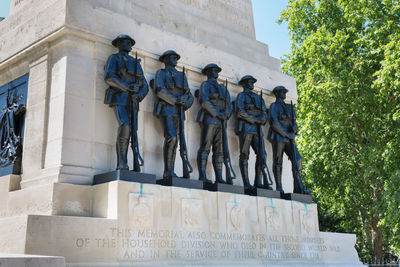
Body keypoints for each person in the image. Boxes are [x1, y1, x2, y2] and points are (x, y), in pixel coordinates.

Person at [104, 34, 148, 171]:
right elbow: (109, 77)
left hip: (133, 101)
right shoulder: (114, 58)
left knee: (133, 131)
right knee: (125, 125)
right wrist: (126, 87)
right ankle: (122, 162)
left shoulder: (135, 62)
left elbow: (144, 84)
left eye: (130, 42)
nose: (128, 44)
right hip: (119, 98)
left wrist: (139, 95)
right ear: (119, 44)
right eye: (125, 41)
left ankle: (134, 161)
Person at [153, 50, 194, 179]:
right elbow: (159, 89)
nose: (175, 59)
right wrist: (175, 100)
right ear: (165, 59)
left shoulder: (182, 75)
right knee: (172, 137)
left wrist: (185, 103)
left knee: (176, 141)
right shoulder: (161, 73)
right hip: (167, 108)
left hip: (179, 111)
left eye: (176, 57)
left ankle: (170, 171)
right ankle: (167, 171)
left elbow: (189, 94)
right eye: (172, 57)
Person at [267, 85, 310, 194]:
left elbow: (294, 124)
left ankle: (298, 187)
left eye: (285, 92)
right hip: (279, 137)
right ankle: (279, 187)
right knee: (278, 162)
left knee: (297, 159)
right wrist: (286, 134)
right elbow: (274, 123)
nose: (284, 94)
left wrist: (295, 129)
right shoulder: (274, 106)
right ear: (276, 94)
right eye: (282, 92)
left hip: (289, 138)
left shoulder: (289, 107)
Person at [196, 63, 232, 184]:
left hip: (222, 121)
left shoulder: (223, 88)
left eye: (217, 70)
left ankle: (219, 177)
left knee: (220, 150)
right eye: (213, 70)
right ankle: (202, 176)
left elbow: (229, 104)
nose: (215, 72)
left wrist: (226, 114)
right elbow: (204, 101)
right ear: (208, 72)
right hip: (210, 119)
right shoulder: (205, 85)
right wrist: (217, 114)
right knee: (205, 147)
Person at [235, 75, 269, 189]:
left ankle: (258, 182)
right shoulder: (242, 96)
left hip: (258, 130)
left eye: (252, 82)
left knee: (262, 154)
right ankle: (246, 183)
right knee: (245, 155)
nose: (252, 83)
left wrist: (262, 119)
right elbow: (240, 111)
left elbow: (265, 114)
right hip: (246, 128)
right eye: (249, 82)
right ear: (244, 84)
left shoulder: (259, 98)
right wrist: (254, 119)